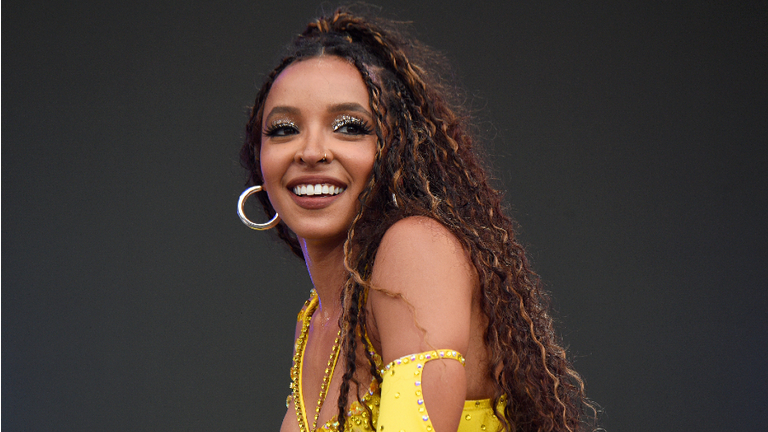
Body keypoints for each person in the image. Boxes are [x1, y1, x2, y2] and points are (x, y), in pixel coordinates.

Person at [238, 7, 594, 432]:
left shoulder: (415, 250)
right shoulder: (315, 320)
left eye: (349, 126)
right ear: (260, 159)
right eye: (283, 129)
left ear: (396, 149)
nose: (311, 152)